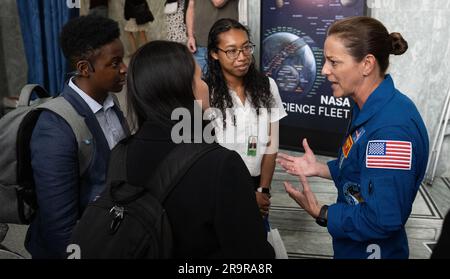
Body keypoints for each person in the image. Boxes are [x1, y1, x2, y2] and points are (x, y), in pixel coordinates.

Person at [277, 16, 429, 259]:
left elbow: (382, 219)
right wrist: (320, 169)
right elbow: (364, 171)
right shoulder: (366, 107)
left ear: (367, 64)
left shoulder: (391, 132)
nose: (325, 70)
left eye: (333, 62)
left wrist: (321, 212)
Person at [124, 40, 274, 258]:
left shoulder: (121, 153)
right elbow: (253, 255)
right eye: (199, 78)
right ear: (185, 90)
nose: (205, 85)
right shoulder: (221, 165)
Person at [26, 15, 129, 258]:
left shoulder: (110, 101)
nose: (124, 68)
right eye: (115, 63)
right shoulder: (55, 128)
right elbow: (59, 228)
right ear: (84, 68)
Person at [206, 18, 287, 223]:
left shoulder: (267, 86)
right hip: (219, 190)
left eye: (246, 48)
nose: (242, 57)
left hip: (258, 185)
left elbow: (271, 143)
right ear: (214, 54)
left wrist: (263, 190)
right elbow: (204, 158)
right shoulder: (206, 93)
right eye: (232, 51)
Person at [186, 0, 239, 74]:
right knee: (201, 82)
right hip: (199, 43)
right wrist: (190, 36)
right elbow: (191, 6)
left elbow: (217, 2)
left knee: (224, 83)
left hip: (225, 44)